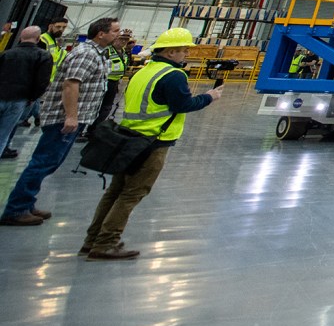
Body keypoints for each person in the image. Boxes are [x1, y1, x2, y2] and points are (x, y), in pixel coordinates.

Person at [79, 27, 222, 261]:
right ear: (170, 51)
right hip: (153, 141)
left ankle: (92, 240)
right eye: (183, 49)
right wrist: (210, 97)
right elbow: (183, 105)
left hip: (128, 137)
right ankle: (105, 243)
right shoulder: (174, 75)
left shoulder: (144, 71)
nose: (186, 53)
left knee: (115, 191)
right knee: (131, 194)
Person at [1, 16, 117, 226]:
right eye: (115, 31)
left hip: (75, 118)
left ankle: (26, 203)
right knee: (43, 162)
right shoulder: (86, 54)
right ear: (101, 33)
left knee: (48, 163)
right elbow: (71, 85)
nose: (119, 34)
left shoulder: (97, 54)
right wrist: (71, 116)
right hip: (65, 120)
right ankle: (16, 209)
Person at [0, 26, 51, 158]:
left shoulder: (7, 54)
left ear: (20, 37)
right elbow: (42, 81)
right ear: (38, 38)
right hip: (20, 100)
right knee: (3, 134)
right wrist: (32, 98)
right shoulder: (43, 56)